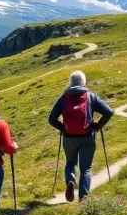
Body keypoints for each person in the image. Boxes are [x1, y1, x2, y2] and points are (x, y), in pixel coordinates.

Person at [48, 71, 114, 202]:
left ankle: (71, 180)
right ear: (83, 82)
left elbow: (51, 119)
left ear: (71, 82)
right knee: (86, 168)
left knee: (71, 162)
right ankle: (83, 198)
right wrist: (97, 126)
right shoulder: (91, 96)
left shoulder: (64, 97)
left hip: (68, 137)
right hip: (87, 136)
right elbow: (108, 112)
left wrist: (63, 127)